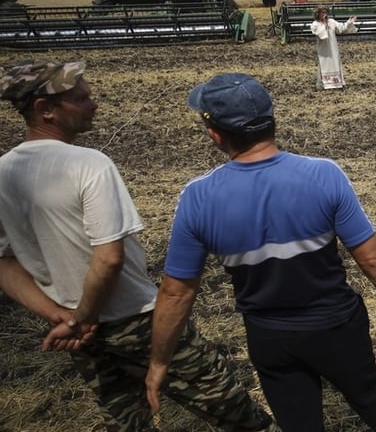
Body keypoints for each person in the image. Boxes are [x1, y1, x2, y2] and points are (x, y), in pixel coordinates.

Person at [0, 62, 277, 432]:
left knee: (125, 421)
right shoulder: (89, 164)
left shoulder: (4, 172)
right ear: (44, 109)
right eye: (80, 99)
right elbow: (109, 258)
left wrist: (61, 316)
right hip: (137, 319)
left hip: (77, 333)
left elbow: (6, 264)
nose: (93, 104)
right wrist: (84, 316)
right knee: (233, 409)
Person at [147, 73, 376, 432]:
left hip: (268, 332)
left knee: (298, 421)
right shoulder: (323, 175)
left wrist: (159, 361)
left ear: (215, 134)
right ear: (272, 120)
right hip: (336, 323)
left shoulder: (197, 198)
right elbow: (372, 257)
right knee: (366, 388)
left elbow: (176, 293)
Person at [310, 5, 358, 90]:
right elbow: (320, 34)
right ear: (318, 14)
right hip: (324, 50)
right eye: (323, 12)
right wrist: (324, 24)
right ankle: (324, 84)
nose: (325, 14)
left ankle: (337, 83)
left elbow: (341, 28)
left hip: (333, 48)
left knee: (335, 62)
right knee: (324, 64)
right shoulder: (315, 24)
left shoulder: (331, 22)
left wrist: (349, 22)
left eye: (326, 12)